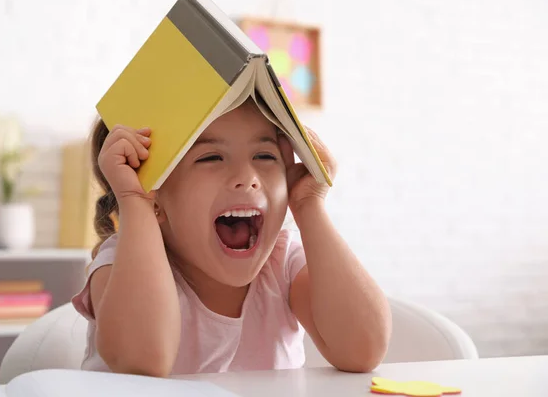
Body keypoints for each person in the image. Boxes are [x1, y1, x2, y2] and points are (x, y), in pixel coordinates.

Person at [71, 97, 391, 377]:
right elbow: (141, 362)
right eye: (211, 157)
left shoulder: (284, 261)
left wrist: (309, 205)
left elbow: (362, 350)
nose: (247, 178)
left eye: (264, 156)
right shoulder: (121, 261)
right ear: (155, 194)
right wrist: (135, 201)